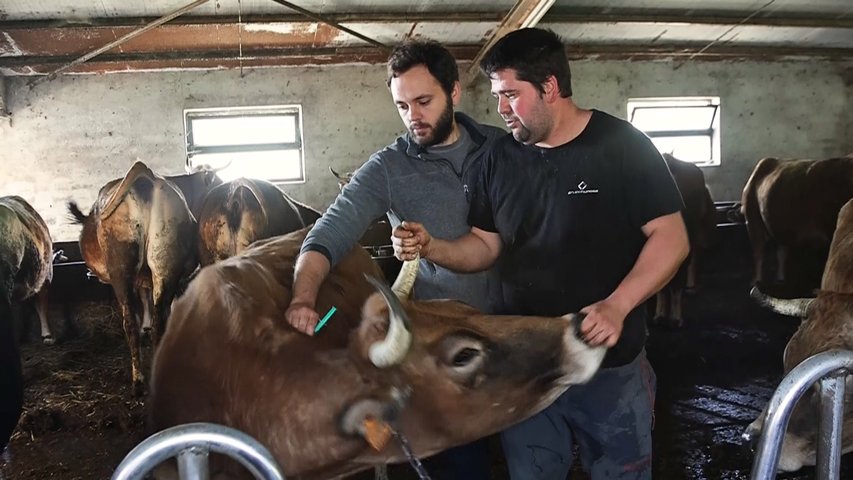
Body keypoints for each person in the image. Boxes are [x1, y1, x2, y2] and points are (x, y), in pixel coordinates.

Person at [392, 28, 690, 480]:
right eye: (496, 95)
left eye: (511, 94)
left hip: (605, 362)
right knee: (531, 472)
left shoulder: (622, 147)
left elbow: (672, 238)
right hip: (526, 363)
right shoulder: (498, 159)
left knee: (620, 473)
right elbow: (485, 245)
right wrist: (434, 247)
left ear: (550, 87)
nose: (500, 109)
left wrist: (618, 305)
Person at [285, 39, 503, 480]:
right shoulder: (388, 167)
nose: (413, 117)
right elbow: (328, 233)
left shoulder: (500, 149)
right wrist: (303, 298)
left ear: (454, 93)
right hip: (437, 346)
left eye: (423, 101)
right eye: (402, 106)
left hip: (504, 326)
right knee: (454, 458)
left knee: (516, 449)